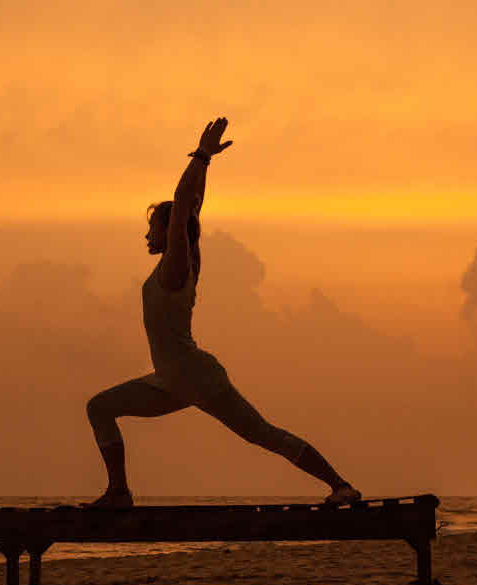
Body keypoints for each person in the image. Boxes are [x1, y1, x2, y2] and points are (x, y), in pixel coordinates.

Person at [84, 117, 361, 508]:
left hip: (195, 374)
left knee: (261, 433)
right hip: (170, 380)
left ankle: (341, 485)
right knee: (99, 407)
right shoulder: (178, 261)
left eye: (152, 228)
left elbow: (184, 209)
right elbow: (192, 207)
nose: (147, 235)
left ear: (170, 232)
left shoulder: (177, 266)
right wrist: (207, 164)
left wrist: (199, 156)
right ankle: (119, 493)